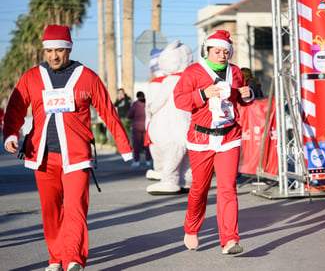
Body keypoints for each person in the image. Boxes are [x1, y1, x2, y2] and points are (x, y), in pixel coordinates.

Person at [2, 25, 133, 271]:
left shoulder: (87, 76)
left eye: (59, 50)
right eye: (49, 50)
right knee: (51, 212)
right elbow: (15, 108)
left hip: (77, 156)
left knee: (75, 209)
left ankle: (73, 259)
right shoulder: (31, 77)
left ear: (68, 49)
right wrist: (10, 133)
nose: (54, 55)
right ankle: (56, 258)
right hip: (42, 156)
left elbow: (108, 111)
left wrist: (125, 147)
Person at [173, 30, 254, 254]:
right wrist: (203, 94)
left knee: (228, 189)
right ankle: (191, 227)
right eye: (217, 51)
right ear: (207, 50)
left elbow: (242, 98)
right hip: (201, 138)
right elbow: (179, 100)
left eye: (226, 52)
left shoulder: (235, 72)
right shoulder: (193, 72)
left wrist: (247, 95)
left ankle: (230, 240)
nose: (222, 55)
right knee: (199, 189)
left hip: (229, 136)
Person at [145, 40, 193, 195]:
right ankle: (187, 181)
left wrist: (151, 109)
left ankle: (169, 181)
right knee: (185, 155)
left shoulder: (169, 80)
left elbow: (160, 100)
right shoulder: (190, 79)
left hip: (171, 125)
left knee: (172, 151)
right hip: (187, 122)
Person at [128, 91, 151, 167]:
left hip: (137, 127)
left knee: (137, 144)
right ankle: (148, 160)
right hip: (146, 126)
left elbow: (129, 115)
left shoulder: (135, 104)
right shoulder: (147, 104)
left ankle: (137, 161)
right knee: (147, 144)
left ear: (137, 97)